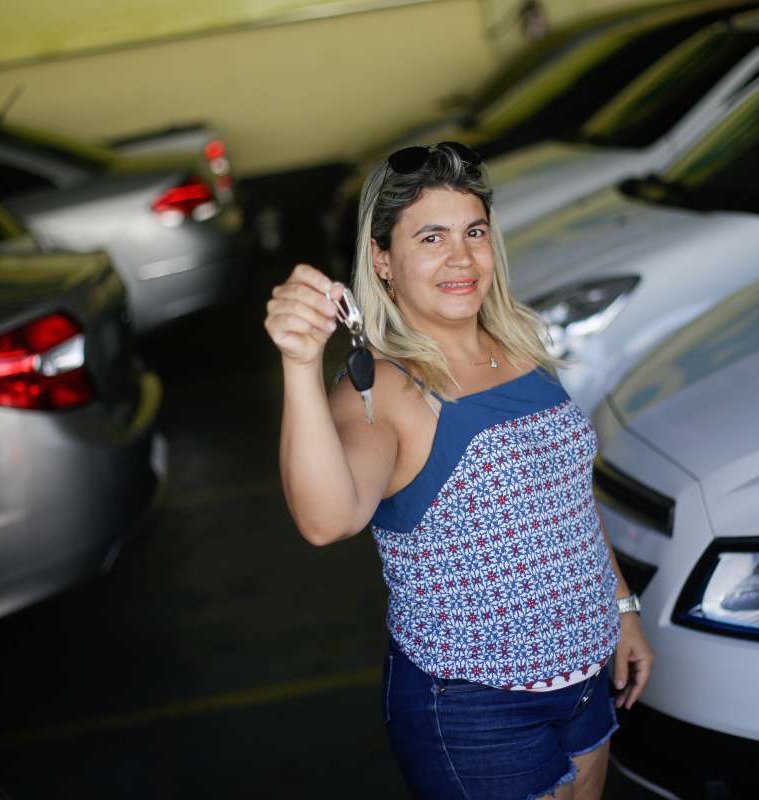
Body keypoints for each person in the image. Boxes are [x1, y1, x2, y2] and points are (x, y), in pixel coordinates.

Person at [264, 142, 653, 800]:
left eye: (474, 232)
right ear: (382, 260)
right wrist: (299, 365)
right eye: (431, 237)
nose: (462, 258)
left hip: (586, 681)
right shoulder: (386, 388)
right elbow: (327, 521)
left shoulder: (518, 344)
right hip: (476, 710)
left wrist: (622, 607)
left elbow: (565, 499)